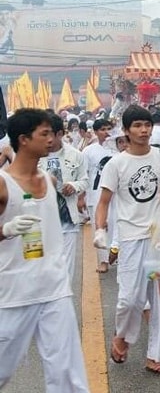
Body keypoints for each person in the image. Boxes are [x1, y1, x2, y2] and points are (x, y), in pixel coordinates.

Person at [0, 109, 90, 393]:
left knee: (63, 370)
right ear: (24, 140)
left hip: (54, 289)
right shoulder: (2, 185)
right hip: (13, 292)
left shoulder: (50, 180)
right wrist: (5, 230)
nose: (52, 139)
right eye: (44, 134)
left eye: (52, 133)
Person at [94, 104, 160, 375]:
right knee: (130, 299)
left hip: (159, 235)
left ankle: (154, 356)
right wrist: (100, 230)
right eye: (138, 126)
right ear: (126, 130)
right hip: (130, 237)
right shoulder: (116, 164)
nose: (144, 130)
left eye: (147, 125)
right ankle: (122, 337)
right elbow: (103, 201)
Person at [38, 113, 87, 282]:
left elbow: (84, 180)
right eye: (41, 134)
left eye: (48, 133)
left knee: (66, 270)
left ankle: (63, 303)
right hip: (42, 220)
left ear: (59, 133)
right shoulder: (35, 156)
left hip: (67, 218)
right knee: (43, 269)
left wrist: (74, 186)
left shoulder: (75, 155)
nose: (46, 139)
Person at [83, 118, 116, 273]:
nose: (106, 132)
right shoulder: (89, 151)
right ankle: (103, 260)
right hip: (95, 194)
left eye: (108, 128)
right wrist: (81, 197)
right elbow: (84, 174)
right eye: (102, 129)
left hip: (116, 196)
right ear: (96, 132)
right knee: (100, 227)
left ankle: (116, 255)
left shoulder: (117, 149)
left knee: (116, 225)